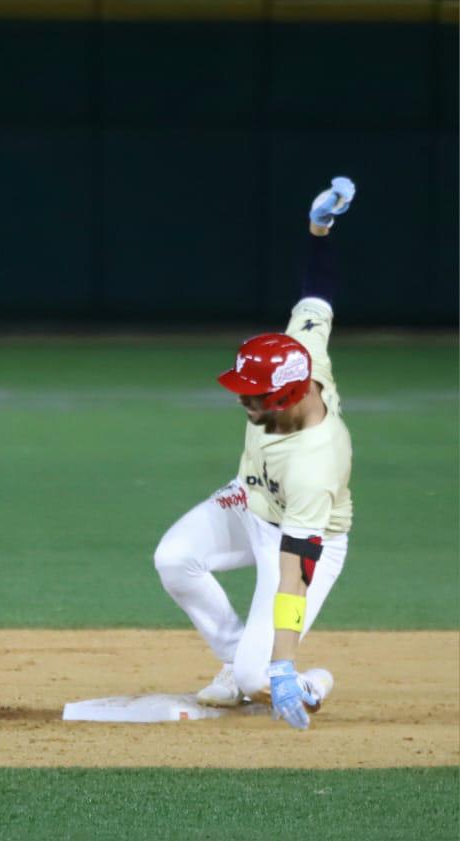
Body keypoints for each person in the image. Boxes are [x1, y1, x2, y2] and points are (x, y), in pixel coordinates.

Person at [154, 177, 357, 730]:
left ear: (288, 396)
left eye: (254, 393)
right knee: (174, 559)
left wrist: (285, 666)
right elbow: (319, 295)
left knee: (260, 680)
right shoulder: (302, 352)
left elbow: (293, 572)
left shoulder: (316, 462)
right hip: (249, 500)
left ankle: (306, 681)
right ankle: (236, 659)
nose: (242, 397)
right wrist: (320, 229)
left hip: (304, 534)